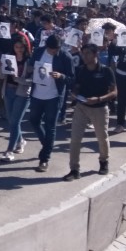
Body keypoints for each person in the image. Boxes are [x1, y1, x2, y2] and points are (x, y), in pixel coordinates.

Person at [63, 44, 117, 181]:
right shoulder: (80, 70)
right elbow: (76, 87)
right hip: (82, 107)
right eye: (83, 53)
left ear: (95, 54)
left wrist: (99, 99)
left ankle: (103, 161)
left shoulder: (106, 71)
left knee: (102, 137)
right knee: (75, 139)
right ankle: (74, 169)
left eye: (87, 53)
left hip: (99, 108)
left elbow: (114, 92)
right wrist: (74, 94)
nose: (84, 56)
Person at [27, 34, 74, 173]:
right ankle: (46, 144)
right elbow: (30, 66)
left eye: (57, 49)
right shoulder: (39, 52)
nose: (55, 52)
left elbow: (72, 78)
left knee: (50, 127)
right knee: (34, 120)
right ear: (47, 46)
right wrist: (30, 69)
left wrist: (61, 76)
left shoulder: (65, 57)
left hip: (53, 96)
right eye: (53, 49)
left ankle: (44, 158)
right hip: (37, 94)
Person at [0, 40, 31, 161]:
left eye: (21, 47)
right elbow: (2, 77)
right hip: (8, 91)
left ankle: (9, 151)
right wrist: (0, 68)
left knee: (15, 122)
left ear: (25, 48)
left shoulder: (29, 61)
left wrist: (19, 79)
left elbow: (33, 80)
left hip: (22, 93)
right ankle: (21, 140)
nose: (19, 49)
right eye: (16, 47)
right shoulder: (9, 58)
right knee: (11, 119)